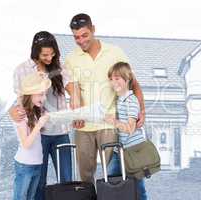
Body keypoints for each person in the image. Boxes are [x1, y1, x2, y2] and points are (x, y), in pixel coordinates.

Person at [65, 13, 146, 183]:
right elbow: (72, 90)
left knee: (113, 175)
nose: (81, 41)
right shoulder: (71, 59)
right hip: (84, 127)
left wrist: (142, 111)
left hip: (109, 125)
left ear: (93, 29)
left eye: (85, 35)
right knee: (85, 179)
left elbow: (134, 84)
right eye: (76, 37)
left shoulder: (115, 52)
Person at [9, 31, 83, 200]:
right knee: (38, 184)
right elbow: (19, 101)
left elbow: (74, 89)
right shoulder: (22, 70)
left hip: (60, 133)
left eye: (52, 54)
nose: (49, 58)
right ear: (36, 53)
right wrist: (12, 112)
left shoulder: (59, 68)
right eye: (45, 55)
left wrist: (77, 107)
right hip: (38, 135)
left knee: (67, 181)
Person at [105, 62, 148, 199]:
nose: (113, 82)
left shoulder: (131, 100)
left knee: (138, 187)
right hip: (121, 150)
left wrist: (114, 121)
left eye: (117, 78)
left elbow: (130, 128)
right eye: (111, 79)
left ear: (127, 79)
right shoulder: (119, 100)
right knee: (110, 180)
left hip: (134, 151)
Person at [13, 72, 51, 200]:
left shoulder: (35, 112)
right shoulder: (20, 114)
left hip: (37, 164)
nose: (44, 97)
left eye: (45, 93)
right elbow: (26, 144)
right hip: (25, 165)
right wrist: (39, 125)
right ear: (30, 94)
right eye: (41, 94)